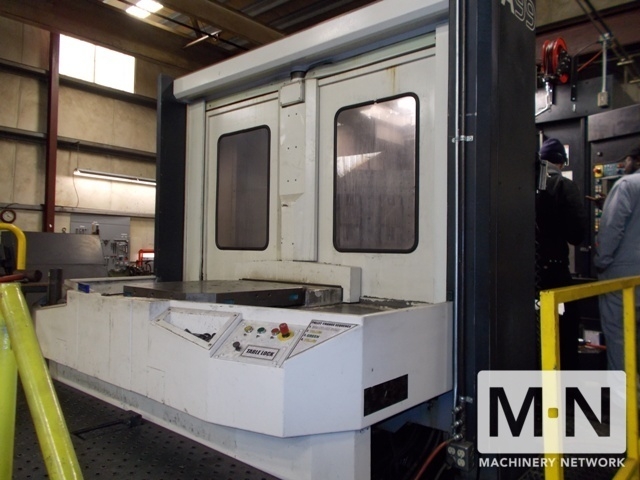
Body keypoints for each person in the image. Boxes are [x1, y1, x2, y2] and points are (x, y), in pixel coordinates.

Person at [536, 137, 588, 369]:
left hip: (528, 276)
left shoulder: (523, 185)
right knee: (565, 333)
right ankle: (564, 387)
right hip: (555, 273)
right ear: (561, 162)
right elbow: (577, 234)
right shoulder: (563, 186)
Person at [594, 145, 640, 374]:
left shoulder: (626, 185)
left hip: (623, 276)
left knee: (620, 339)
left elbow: (612, 229)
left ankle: (625, 394)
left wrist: (601, 261)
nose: (624, 165)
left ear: (636, 160)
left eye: (627, 160)